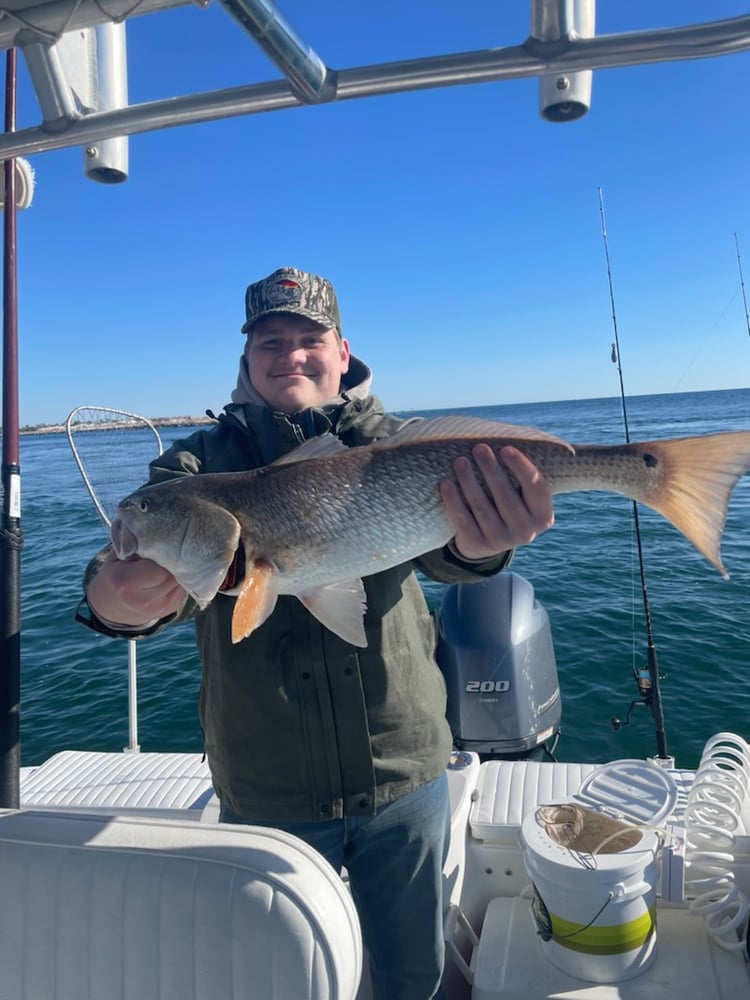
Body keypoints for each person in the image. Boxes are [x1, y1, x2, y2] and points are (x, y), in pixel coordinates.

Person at [77, 266, 554, 1000]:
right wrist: (118, 598)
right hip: (266, 785)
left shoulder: (395, 446)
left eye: (310, 338)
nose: (291, 354)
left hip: (406, 768)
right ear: (247, 358)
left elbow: (453, 556)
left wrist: (487, 543)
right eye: (272, 339)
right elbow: (131, 595)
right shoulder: (193, 470)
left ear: (343, 351)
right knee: (278, 976)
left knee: (414, 976)